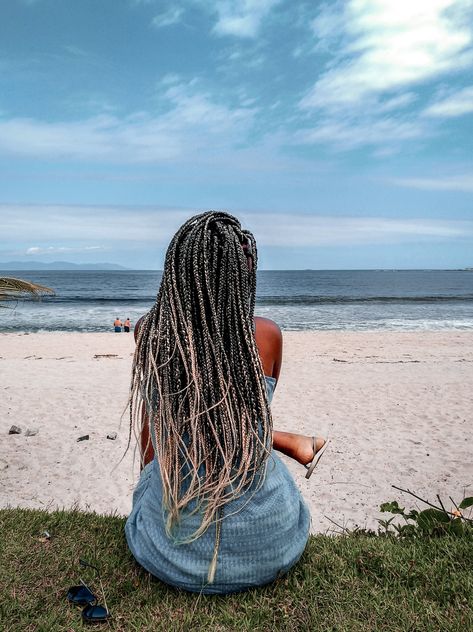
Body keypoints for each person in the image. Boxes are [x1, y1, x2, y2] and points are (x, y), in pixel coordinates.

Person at [125, 211, 329, 594]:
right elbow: (249, 421)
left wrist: (149, 490)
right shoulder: (267, 335)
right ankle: (289, 441)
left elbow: (154, 431)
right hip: (273, 547)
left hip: (170, 557)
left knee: (155, 475)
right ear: (241, 276)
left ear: (179, 269)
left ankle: (290, 442)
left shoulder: (148, 332)